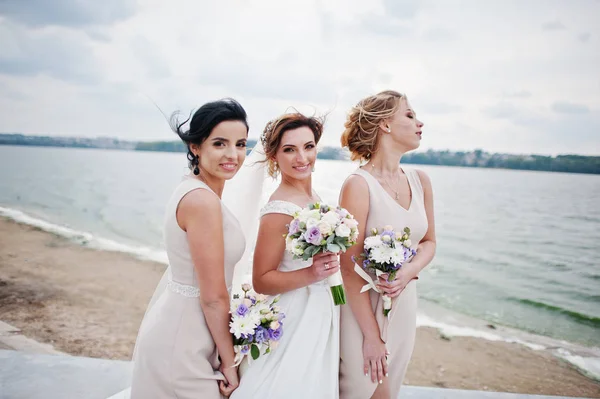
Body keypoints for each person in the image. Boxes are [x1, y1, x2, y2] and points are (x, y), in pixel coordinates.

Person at [129, 98, 249, 398]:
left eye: (241, 144)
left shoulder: (195, 191)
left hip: (193, 331)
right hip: (183, 343)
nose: (233, 154)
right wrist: (230, 361)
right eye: (220, 144)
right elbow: (212, 297)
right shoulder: (202, 201)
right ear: (196, 146)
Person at [230, 113, 340, 399]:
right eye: (289, 149)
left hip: (319, 308)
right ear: (274, 156)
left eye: (308, 146)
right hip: (294, 315)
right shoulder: (279, 209)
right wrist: (312, 274)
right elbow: (262, 280)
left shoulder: (313, 197)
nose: (301, 157)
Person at [338, 90, 437, 399]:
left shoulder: (420, 180)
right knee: (361, 391)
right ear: (385, 125)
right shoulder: (358, 185)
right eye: (409, 115)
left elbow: (430, 242)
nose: (420, 123)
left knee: (390, 391)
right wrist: (371, 336)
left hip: (404, 306)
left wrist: (408, 271)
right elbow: (348, 267)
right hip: (363, 311)